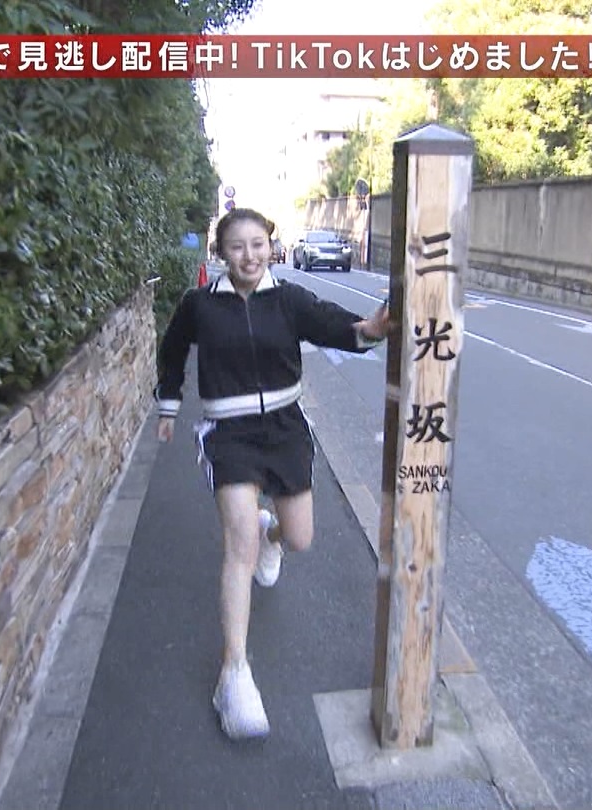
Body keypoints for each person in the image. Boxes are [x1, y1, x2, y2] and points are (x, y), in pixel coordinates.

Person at [153, 208, 390, 740]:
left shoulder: (288, 299)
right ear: (221, 252)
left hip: (285, 428)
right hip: (228, 433)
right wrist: (169, 404)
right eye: (238, 246)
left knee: (300, 537)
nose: (249, 255)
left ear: (270, 247)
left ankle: (272, 535)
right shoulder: (199, 305)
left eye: (258, 244)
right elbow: (172, 351)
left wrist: (374, 330)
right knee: (238, 546)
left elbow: (339, 326)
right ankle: (234, 674)